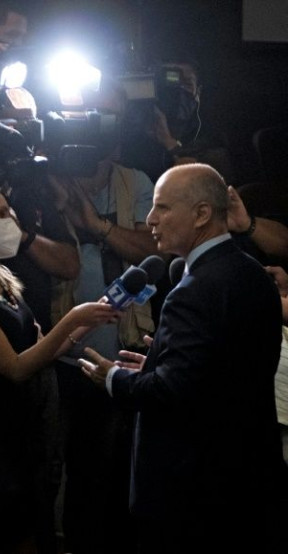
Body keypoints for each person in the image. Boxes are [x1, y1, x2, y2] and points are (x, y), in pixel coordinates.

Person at [78, 163, 286, 554]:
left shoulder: (193, 289)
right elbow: (223, 374)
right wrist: (156, 365)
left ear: (202, 214)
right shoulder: (252, 273)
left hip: (193, 494)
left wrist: (113, 378)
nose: (151, 219)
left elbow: (175, 391)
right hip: (249, 482)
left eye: (162, 208)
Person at [0, 179, 118, 553]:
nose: (12, 220)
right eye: (1, 213)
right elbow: (15, 367)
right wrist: (71, 319)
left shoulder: (0, 278)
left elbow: (40, 350)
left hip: (19, 431)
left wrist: (90, 318)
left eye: (11, 210)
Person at [51, 78, 161, 554]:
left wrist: (95, 225)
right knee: (61, 462)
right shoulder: (48, 177)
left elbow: (148, 249)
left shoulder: (135, 183)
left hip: (125, 349)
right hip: (59, 350)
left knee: (111, 464)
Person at [120, 58, 236, 185]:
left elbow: (212, 187)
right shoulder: (135, 132)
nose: (176, 92)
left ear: (198, 91)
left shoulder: (210, 138)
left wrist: (169, 143)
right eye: (168, 84)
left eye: (187, 84)